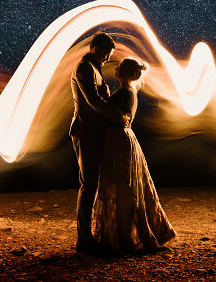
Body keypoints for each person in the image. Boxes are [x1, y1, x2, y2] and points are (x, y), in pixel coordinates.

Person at [92, 57, 176, 253]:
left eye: (120, 67)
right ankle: (121, 235)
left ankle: (123, 238)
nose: (116, 68)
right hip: (119, 140)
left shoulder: (126, 92)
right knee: (124, 187)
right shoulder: (127, 91)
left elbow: (114, 115)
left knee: (124, 187)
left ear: (126, 72)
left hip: (119, 141)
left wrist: (101, 99)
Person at [69, 32, 130, 254]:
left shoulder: (93, 68)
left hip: (94, 131)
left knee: (92, 183)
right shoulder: (84, 68)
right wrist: (117, 117)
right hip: (85, 131)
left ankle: (88, 236)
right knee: (88, 184)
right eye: (106, 53)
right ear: (96, 48)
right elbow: (93, 101)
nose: (107, 58)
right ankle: (84, 240)